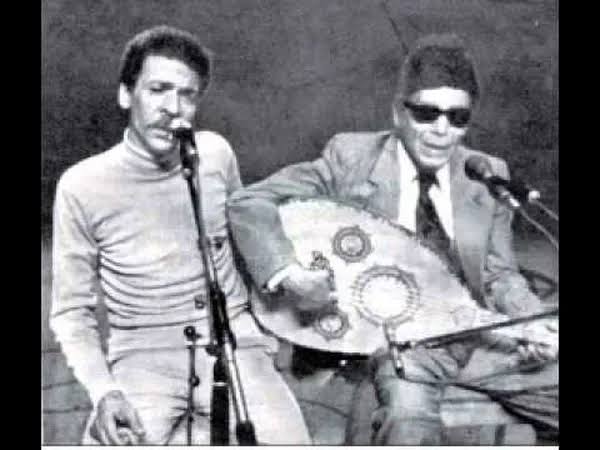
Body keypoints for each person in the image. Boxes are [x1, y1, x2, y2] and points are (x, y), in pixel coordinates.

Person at [227, 33, 558, 445]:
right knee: (406, 415)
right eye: (427, 114)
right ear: (398, 113)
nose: (441, 131)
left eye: (457, 118)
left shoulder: (486, 173)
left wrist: (530, 325)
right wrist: (288, 273)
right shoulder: (352, 158)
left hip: (477, 337)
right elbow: (249, 202)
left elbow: (499, 277)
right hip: (401, 345)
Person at [50, 25, 311, 445]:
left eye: (187, 95)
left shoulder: (216, 154)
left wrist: (268, 325)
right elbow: (71, 312)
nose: (172, 108)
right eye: (158, 90)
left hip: (235, 344)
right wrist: (105, 392)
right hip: (141, 357)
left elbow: (247, 239)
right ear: (126, 95)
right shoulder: (81, 185)